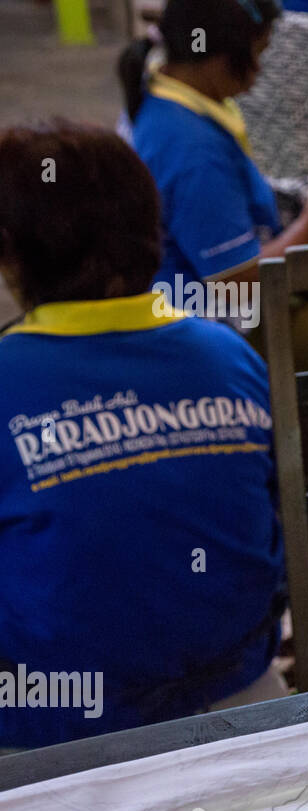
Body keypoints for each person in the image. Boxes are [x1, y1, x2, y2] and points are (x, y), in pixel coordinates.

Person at [0, 121, 286, 748]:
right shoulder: (226, 352)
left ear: (12, 255)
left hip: (55, 734)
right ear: (151, 225)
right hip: (248, 697)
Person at [118, 0, 308, 363]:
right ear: (222, 59)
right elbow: (236, 287)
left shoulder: (165, 94)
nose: (260, 70)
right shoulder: (191, 149)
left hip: (205, 307)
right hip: (211, 330)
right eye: (257, 53)